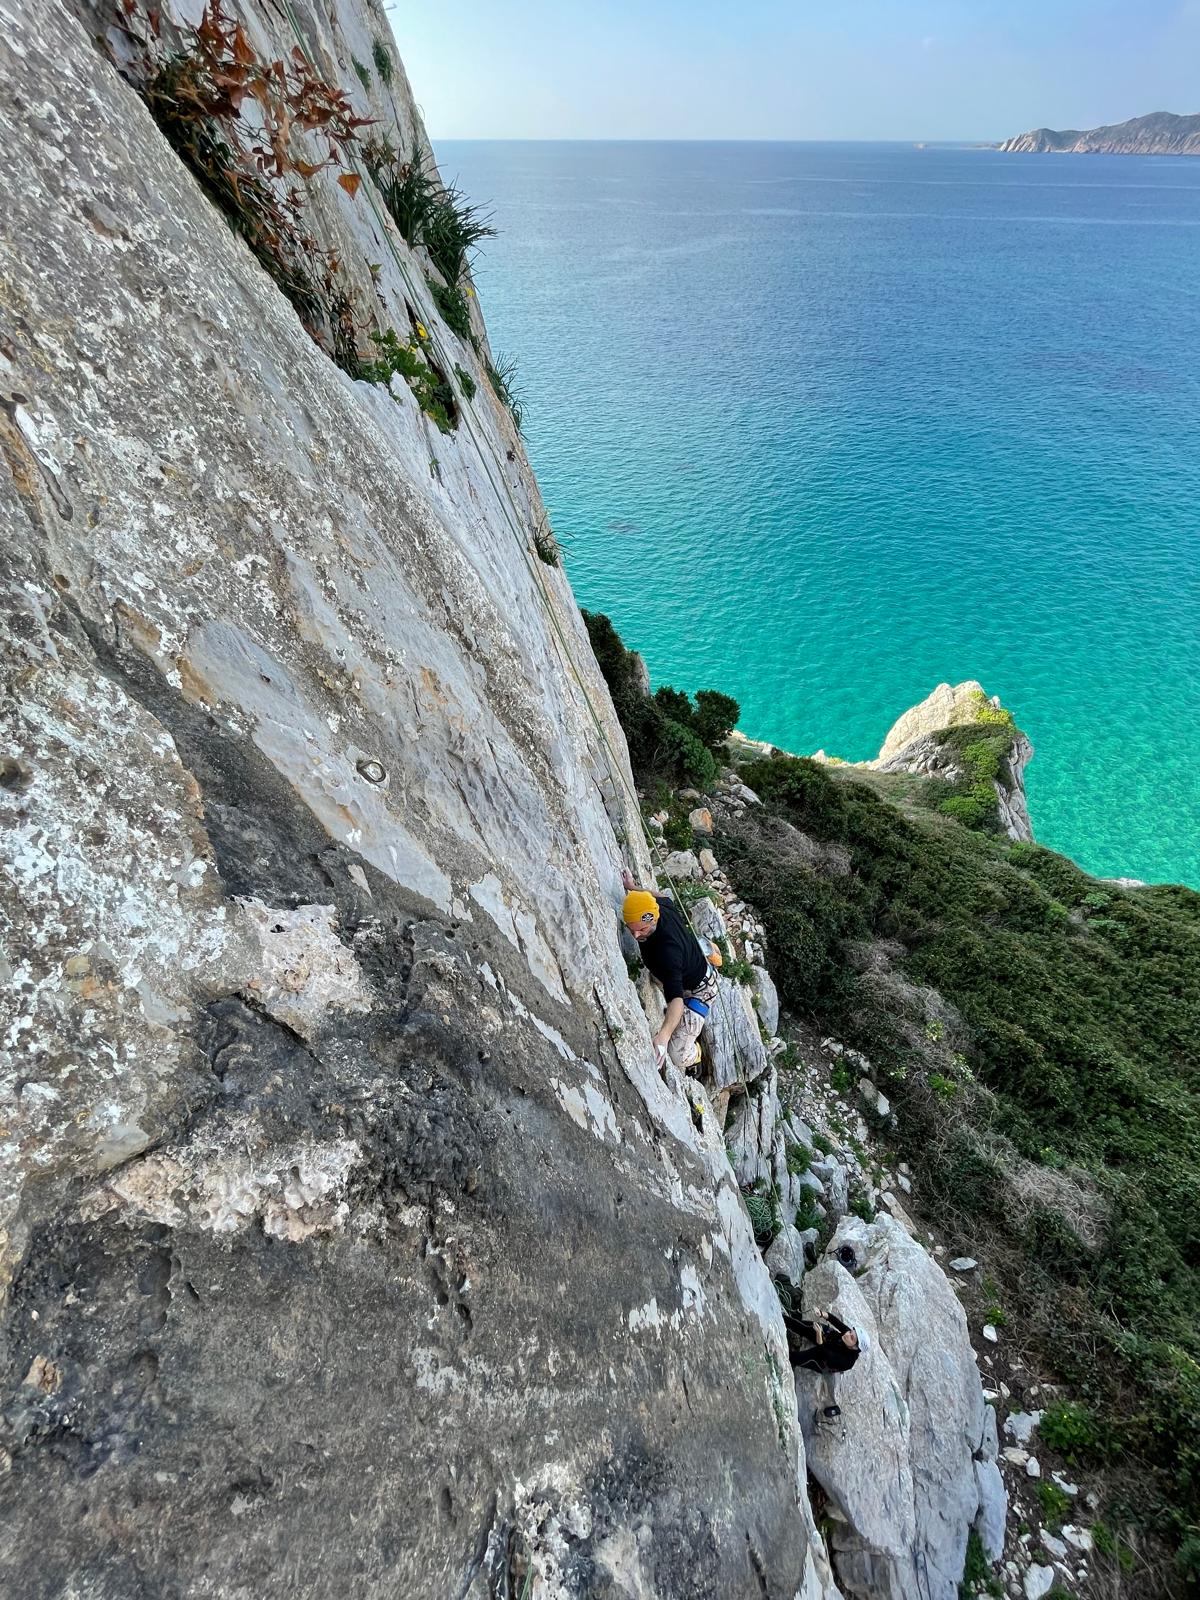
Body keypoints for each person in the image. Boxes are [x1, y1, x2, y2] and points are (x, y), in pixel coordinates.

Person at [621, 869, 718, 1072]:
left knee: (677, 1055)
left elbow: (676, 999)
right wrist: (632, 887)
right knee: (660, 980)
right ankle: (684, 1027)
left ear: (652, 920)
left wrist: (663, 1037)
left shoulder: (669, 953)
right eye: (631, 929)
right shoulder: (660, 907)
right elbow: (659, 896)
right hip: (686, 969)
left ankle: (696, 1052)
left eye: (642, 929)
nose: (636, 934)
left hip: (700, 991)